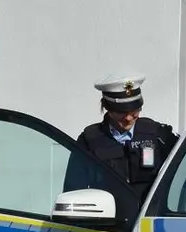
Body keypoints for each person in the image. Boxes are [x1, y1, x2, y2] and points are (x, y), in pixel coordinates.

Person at [71, 73, 179, 204]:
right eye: (121, 112)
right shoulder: (90, 140)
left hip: (149, 216)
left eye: (134, 112)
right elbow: (74, 189)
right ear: (107, 108)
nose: (128, 118)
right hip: (109, 219)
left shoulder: (157, 134)